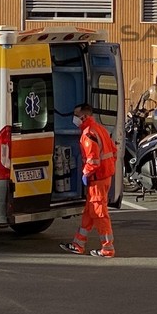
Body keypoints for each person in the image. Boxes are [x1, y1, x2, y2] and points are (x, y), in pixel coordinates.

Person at [59, 102, 118, 258]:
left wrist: (86, 173)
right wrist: (108, 168)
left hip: (97, 179)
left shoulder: (88, 134)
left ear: (84, 116)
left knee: (99, 213)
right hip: (103, 177)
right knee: (90, 212)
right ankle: (78, 244)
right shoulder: (100, 129)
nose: (74, 118)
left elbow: (93, 161)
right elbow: (113, 151)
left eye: (76, 115)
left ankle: (107, 248)